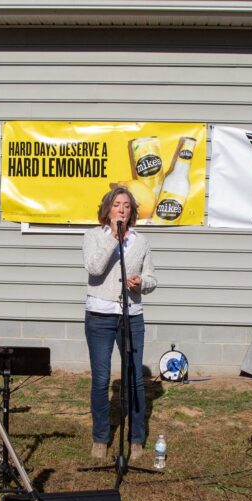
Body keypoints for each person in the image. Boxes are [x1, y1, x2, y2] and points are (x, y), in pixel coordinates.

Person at [83, 187, 158, 461]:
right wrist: (114, 237)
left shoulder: (141, 241)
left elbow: (152, 279)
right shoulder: (93, 236)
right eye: (117, 205)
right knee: (101, 379)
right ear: (108, 209)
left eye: (126, 205)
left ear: (132, 211)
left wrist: (141, 282)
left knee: (134, 378)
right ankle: (101, 437)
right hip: (99, 316)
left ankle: (136, 438)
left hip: (131, 316)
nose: (122, 210)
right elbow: (94, 268)